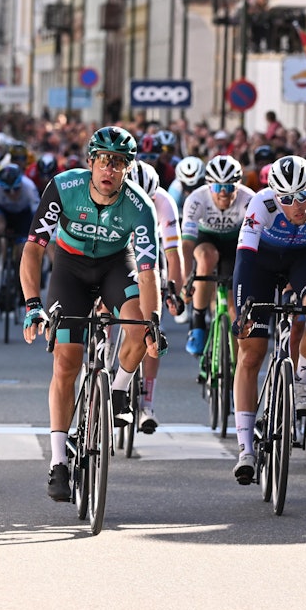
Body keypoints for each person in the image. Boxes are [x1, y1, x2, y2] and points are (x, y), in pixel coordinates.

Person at [21, 126, 166, 502]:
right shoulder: (64, 187)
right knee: (66, 363)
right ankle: (58, 462)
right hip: (70, 269)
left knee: (138, 329)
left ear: (128, 170)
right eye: (104, 160)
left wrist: (153, 323)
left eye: (119, 163)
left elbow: (149, 272)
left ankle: (118, 392)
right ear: (91, 162)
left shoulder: (139, 206)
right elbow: (34, 249)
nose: (110, 169)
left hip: (116, 266)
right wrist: (32, 305)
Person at [230, 156, 306, 484]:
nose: (296, 205)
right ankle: (245, 448)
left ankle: (300, 382)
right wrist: (242, 313)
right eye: (287, 199)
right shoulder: (259, 205)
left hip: (303, 259)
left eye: (302, 195)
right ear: (274, 196)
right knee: (251, 352)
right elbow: (244, 259)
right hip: (261, 264)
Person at [129, 159, 185, 433]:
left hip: (151, 259)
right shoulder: (112, 196)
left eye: (148, 199)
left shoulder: (164, 202)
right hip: (121, 254)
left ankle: (147, 402)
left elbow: (174, 254)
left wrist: (174, 288)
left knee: (152, 328)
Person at [182, 155, 257, 355]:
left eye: (230, 187)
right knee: (206, 258)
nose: (223, 193)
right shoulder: (196, 199)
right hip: (207, 238)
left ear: (238, 185)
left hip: (235, 243)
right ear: (209, 186)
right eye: (217, 187)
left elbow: (258, 242)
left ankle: (235, 358)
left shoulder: (250, 200)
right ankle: (197, 324)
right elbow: (187, 243)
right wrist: (186, 277)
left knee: (234, 305)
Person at [0, 163, 40, 294]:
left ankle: (20, 282)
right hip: (3, 213)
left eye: (16, 189)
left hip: (23, 216)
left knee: (22, 250)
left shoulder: (29, 187)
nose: (12, 194)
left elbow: (39, 217)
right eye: (7, 191)